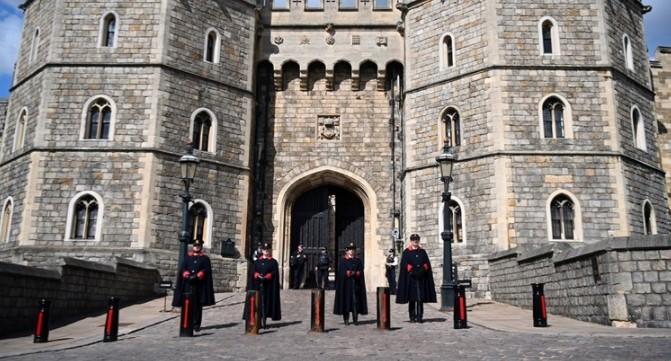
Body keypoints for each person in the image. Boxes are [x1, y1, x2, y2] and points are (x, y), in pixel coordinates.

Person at [172, 239, 215, 331]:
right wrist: (185, 273)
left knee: (197, 305)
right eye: (195, 245)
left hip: (199, 285)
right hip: (188, 284)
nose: (196, 247)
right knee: (187, 303)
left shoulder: (205, 258)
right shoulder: (188, 257)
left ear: (201, 247)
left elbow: (207, 270)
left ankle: (196, 324)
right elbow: (183, 268)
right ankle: (188, 322)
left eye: (198, 245)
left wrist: (201, 274)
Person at [396, 234, 436, 323]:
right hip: (411, 279)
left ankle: (420, 316)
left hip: (421, 278)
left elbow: (426, 264)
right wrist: (412, 271)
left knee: (420, 298)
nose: (415, 241)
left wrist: (422, 270)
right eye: (414, 240)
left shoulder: (422, 252)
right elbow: (405, 264)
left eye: (417, 239)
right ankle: (412, 316)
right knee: (412, 299)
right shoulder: (406, 252)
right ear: (411, 241)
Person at [244, 242, 281, 328]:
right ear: (262, 250)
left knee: (266, 304)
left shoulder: (273, 262)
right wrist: (256, 274)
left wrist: (269, 276)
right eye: (264, 250)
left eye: (267, 250)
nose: (266, 251)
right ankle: (258, 321)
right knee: (258, 303)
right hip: (258, 286)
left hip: (268, 287)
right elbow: (253, 271)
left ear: (269, 250)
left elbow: (274, 272)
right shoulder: (257, 261)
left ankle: (264, 320)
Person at [334, 242, 367, 325]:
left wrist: (358, 273)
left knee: (355, 302)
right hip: (346, 286)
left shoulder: (358, 260)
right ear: (346, 251)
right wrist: (346, 273)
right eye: (350, 250)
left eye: (353, 250)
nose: (351, 251)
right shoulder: (343, 261)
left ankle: (355, 319)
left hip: (355, 285)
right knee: (346, 302)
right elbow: (341, 273)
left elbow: (360, 271)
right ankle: (346, 320)